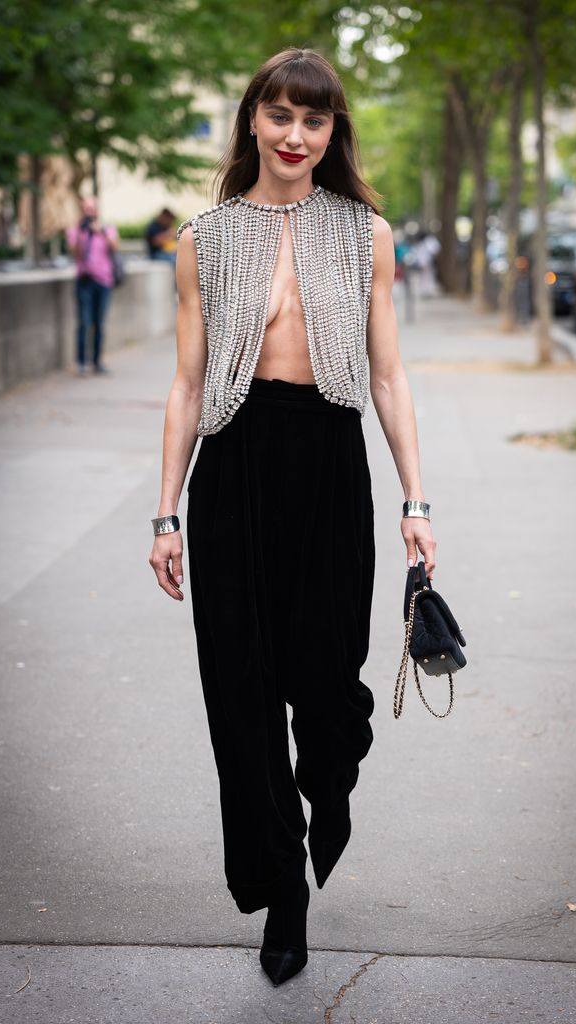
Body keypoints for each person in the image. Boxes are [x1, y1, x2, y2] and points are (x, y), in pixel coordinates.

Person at [148, 47, 436, 987]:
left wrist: (415, 502)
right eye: (279, 116)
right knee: (239, 692)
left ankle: (331, 781)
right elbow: (187, 385)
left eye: (313, 121)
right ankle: (283, 891)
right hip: (232, 471)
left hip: (327, 463)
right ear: (252, 122)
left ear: (331, 133)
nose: (295, 136)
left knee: (324, 685)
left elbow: (389, 375)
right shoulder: (204, 237)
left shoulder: (365, 234)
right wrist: (165, 517)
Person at [66, 196, 119, 375]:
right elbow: (75, 253)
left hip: (103, 281)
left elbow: (115, 248)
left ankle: (97, 361)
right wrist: (82, 235)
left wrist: (101, 232)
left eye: (92, 208)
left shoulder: (107, 229)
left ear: (97, 210)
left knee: (99, 322)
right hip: (84, 280)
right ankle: (81, 362)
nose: (89, 212)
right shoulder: (76, 230)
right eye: (86, 209)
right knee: (83, 322)